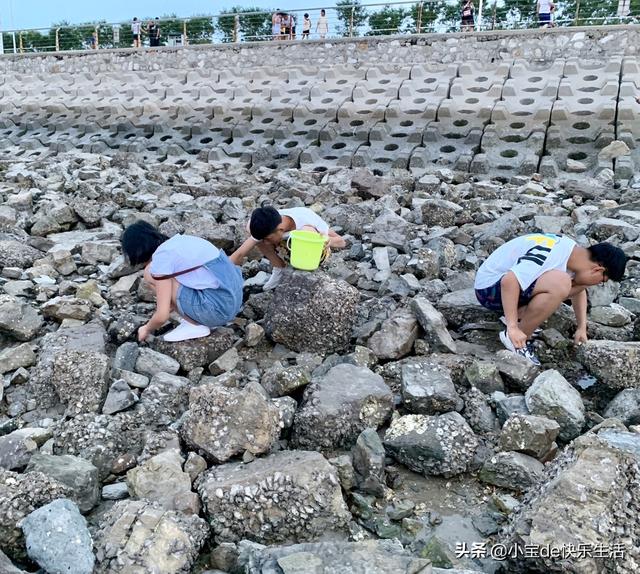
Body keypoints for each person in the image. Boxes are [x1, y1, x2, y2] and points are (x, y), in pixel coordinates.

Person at [474, 233, 627, 365]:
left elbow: (580, 289)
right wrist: (513, 328)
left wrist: (581, 327)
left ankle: (517, 317)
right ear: (598, 270)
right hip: (489, 289)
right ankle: (516, 339)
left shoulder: (573, 254)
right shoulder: (552, 252)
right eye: (601, 281)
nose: (598, 284)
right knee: (561, 282)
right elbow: (510, 280)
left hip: (505, 288)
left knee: (568, 282)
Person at [121, 221, 244, 343]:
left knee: (149, 273)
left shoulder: (161, 257)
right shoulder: (179, 242)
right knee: (163, 278)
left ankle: (194, 324)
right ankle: (192, 315)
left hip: (217, 312)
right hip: (234, 301)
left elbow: (162, 316)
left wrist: (146, 328)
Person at [233, 206, 346, 290]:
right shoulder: (268, 225)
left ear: (280, 230)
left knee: (308, 231)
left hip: (312, 252)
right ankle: (279, 269)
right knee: (252, 230)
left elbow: (342, 242)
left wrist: (327, 240)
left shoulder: (308, 220)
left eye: (268, 239)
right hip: (285, 245)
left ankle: (303, 275)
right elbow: (239, 254)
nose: (266, 243)